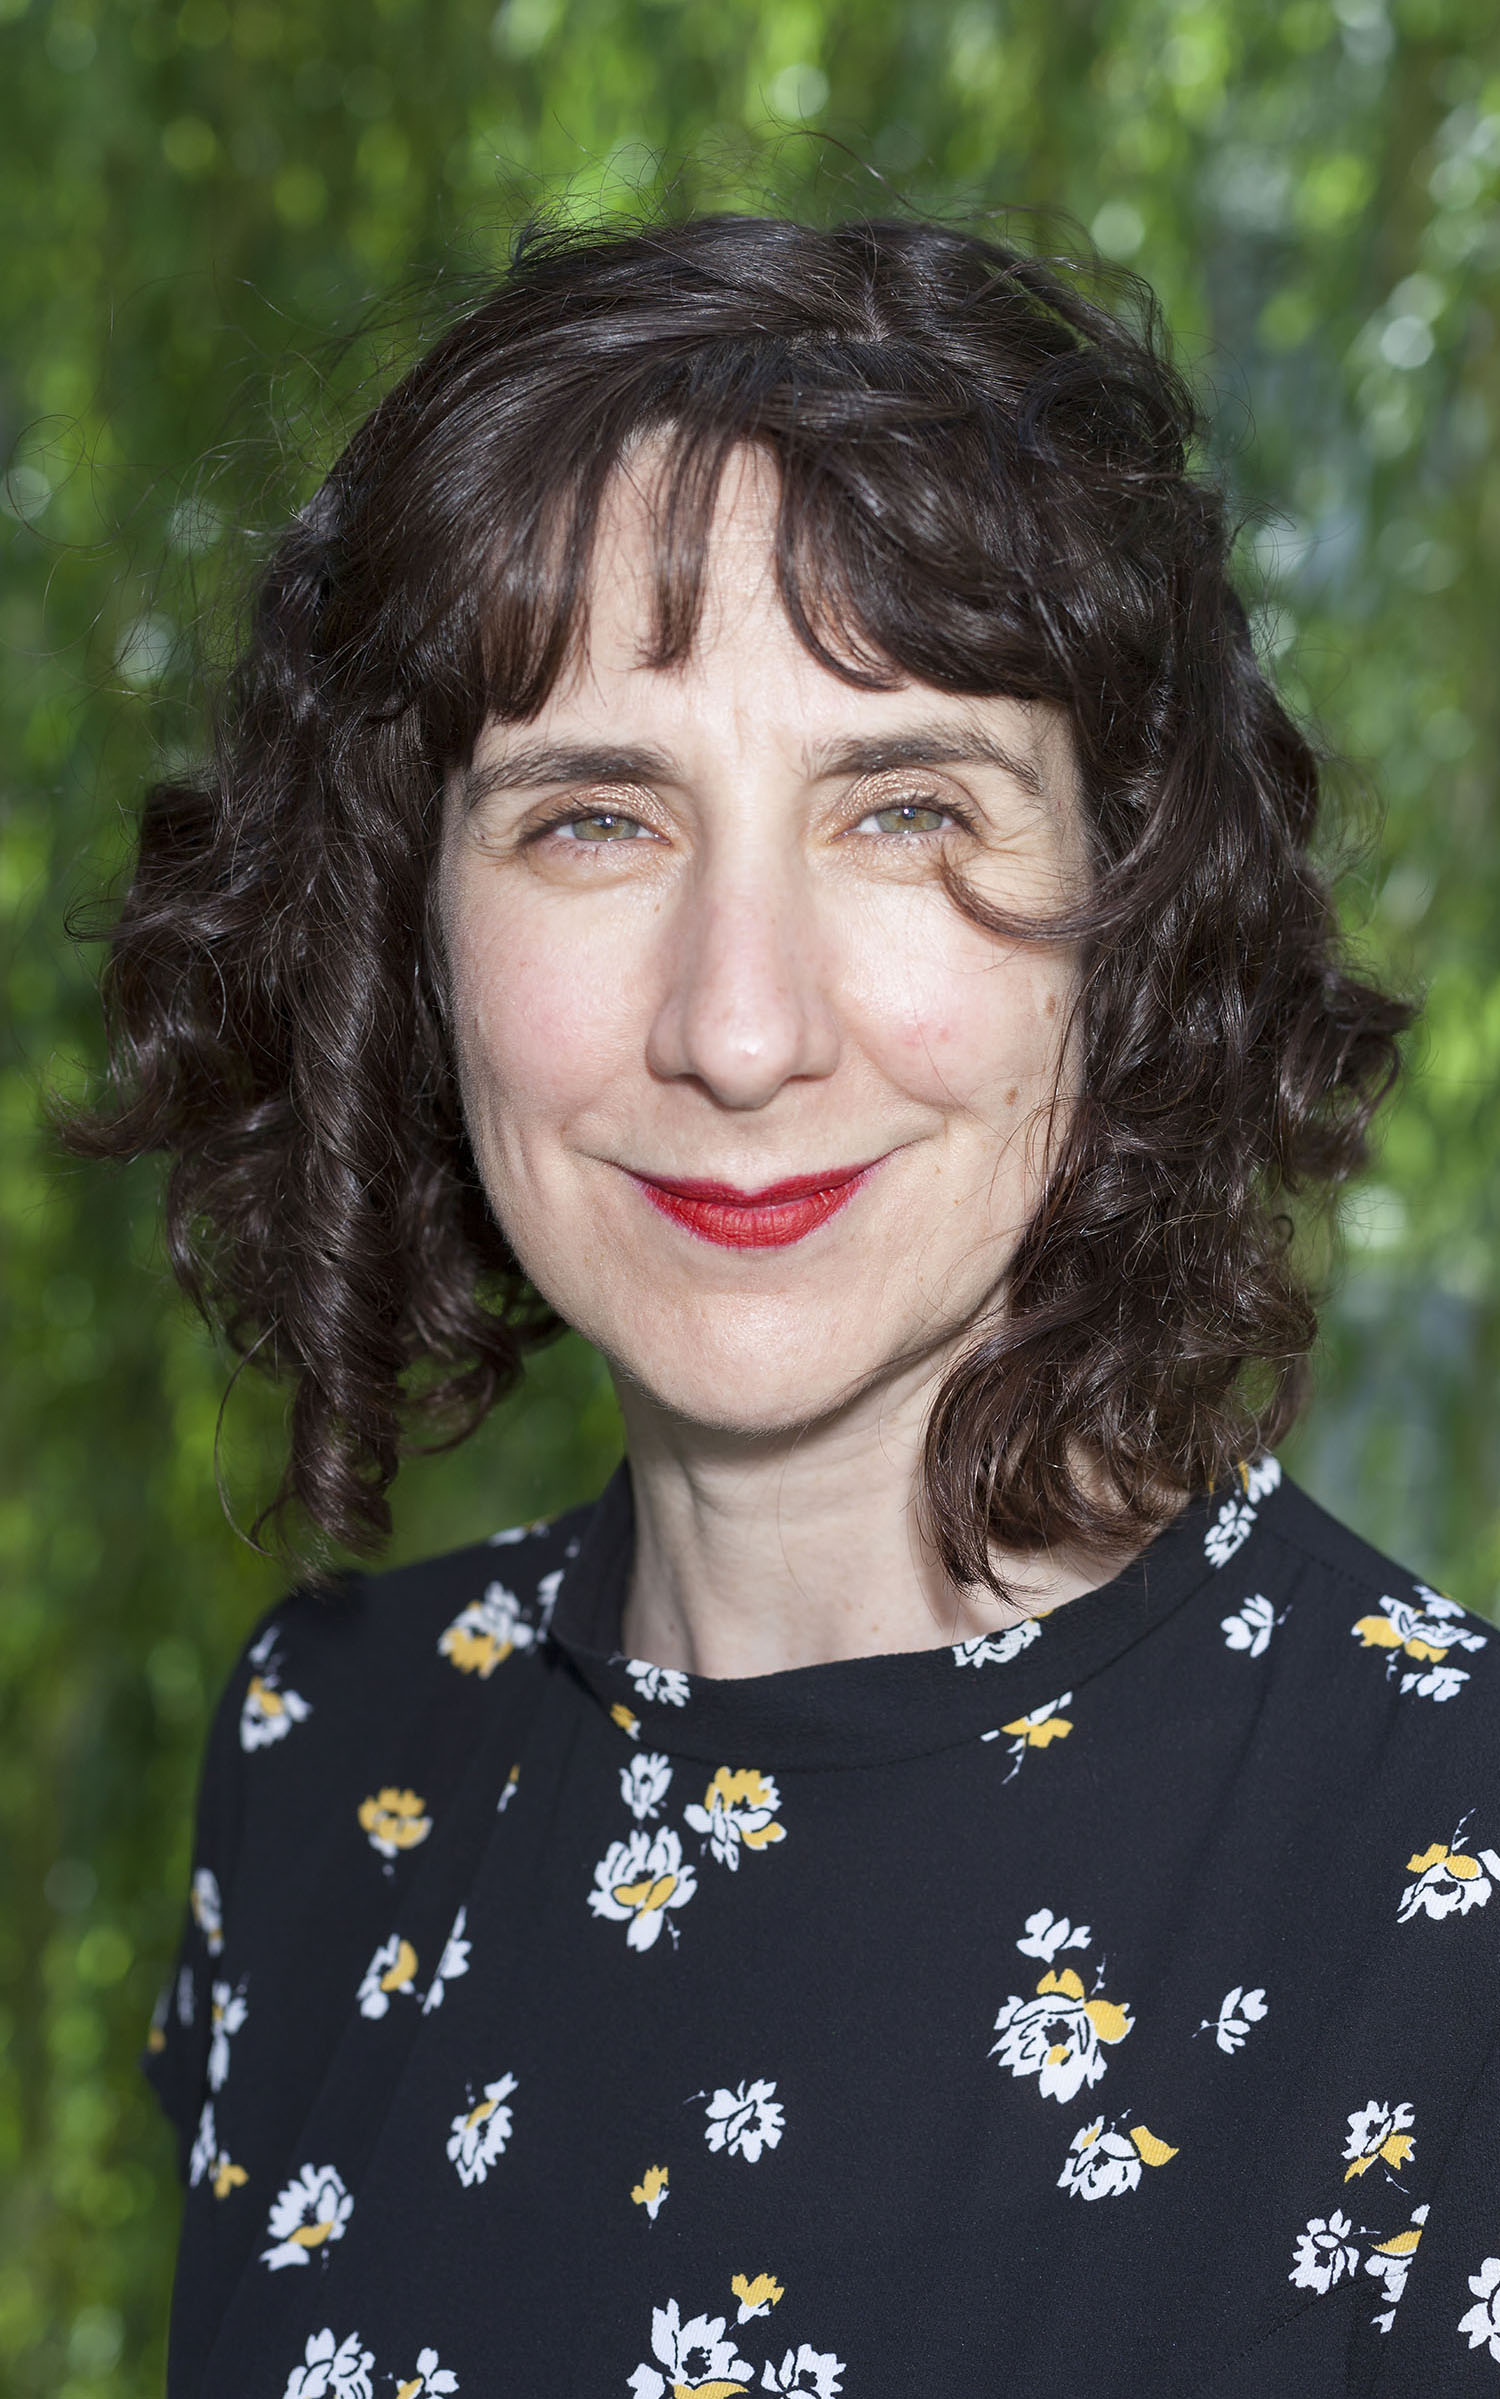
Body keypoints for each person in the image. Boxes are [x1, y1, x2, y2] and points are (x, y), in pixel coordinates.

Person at [72, 210, 1500, 2398]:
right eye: (593, 821)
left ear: (1133, 910)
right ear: (412, 933)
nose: (740, 1031)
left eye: (903, 809)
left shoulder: (1449, 1873)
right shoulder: (326, 1762)